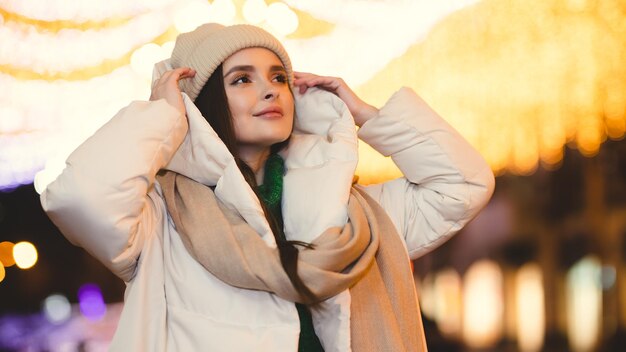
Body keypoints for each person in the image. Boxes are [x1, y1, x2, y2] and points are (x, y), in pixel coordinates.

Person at [41, 23, 494, 351]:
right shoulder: (161, 219)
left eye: (279, 77)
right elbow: (80, 199)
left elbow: (462, 184)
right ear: (201, 104)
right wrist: (161, 117)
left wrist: (363, 113)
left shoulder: (353, 215)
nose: (270, 89)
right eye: (242, 79)